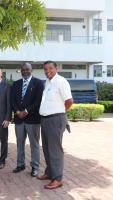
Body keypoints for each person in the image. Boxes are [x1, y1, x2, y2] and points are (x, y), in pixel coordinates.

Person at [38, 60, 73, 189]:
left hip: (55, 120)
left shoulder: (61, 82)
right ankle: (49, 172)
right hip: (45, 119)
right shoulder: (47, 82)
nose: (48, 71)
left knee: (55, 150)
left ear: (56, 68)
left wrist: (60, 112)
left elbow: (69, 101)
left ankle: (57, 179)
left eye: (50, 68)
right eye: (45, 69)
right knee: (47, 149)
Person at [10, 63, 44, 177]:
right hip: (19, 119)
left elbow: (38, 100)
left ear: (31, 70)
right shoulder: (16, 84)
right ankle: (20, 164)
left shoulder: (38, 83)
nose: (25, 71)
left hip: (33, 119)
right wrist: (17, 111)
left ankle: (35, 167)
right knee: (19, 143)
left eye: (27, 69)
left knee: (34, 144)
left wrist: (26, 111)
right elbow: (12, 100)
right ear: (21, 71)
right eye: (23, 69)